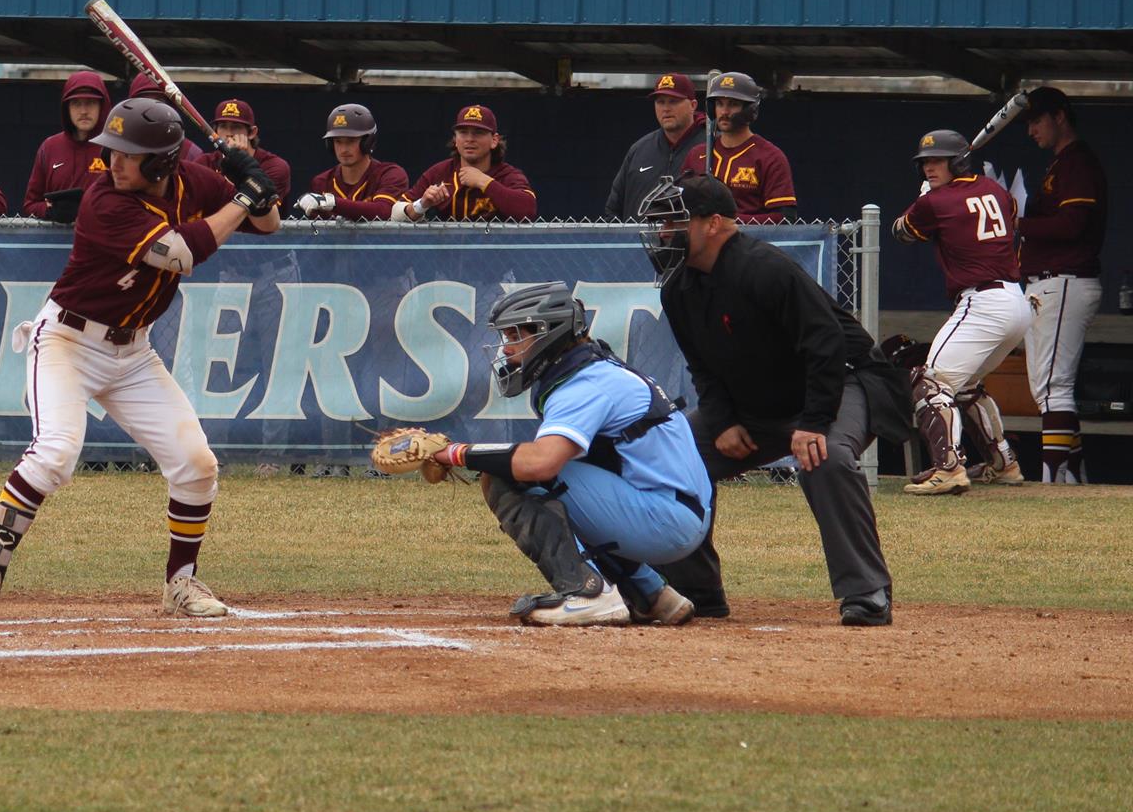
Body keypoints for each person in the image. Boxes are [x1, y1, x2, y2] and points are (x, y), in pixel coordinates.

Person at [0, 94, 282, 622]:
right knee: (56, 453)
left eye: (126, 153)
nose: (112, 161)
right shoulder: (104, 200)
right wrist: (245, 197)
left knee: (197, 466)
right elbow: (182, 252)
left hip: (134, 352)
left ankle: (181, 584)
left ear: (162, 161)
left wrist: (253, 179)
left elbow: (269, 225)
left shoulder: (194, 182)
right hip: (67, 342)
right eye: (113, 149)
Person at [642, 174, 905, 626]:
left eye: (675, 223)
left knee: (827, 457)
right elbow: (704, 367)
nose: (664, 234)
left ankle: (867, 592)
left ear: (714, 224)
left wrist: (815, 421)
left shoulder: (764, 268)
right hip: (758, 405)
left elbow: (827, 345)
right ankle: (696, 590)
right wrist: (722, 421)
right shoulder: (678, 288)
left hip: (840, 385)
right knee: (670, 452)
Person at [416, 283, 709, 627]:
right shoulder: (592, 369)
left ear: (546, 333)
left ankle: (588, 594)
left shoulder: (584, 383)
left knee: (509, 474)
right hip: (673, 511)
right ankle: (652, 595)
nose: (506, 349)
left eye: (514, 336)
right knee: (547, 479)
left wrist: (455, 453)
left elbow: (541, 462)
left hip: (664, 518)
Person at [891, 129, 1030, 495]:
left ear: (958, 161)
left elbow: (901, 231)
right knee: (963, 385)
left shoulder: (936, 202)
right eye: (924, 163)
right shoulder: (996, 190)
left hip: (982, 303)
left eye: (937, 161)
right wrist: (932, 195)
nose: (928, 169)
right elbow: (1007, 213)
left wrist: (922, 201)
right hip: (1016, 303)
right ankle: (1004, 462)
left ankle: (948, 468)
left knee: (930, 380)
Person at [1015, 86, 1108, 483]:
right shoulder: (1061, 163)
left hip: (1065, 280)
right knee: (1048, 388)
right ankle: (1072, 478)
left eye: (1037, 120)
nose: (1031, 130)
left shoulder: (1078, 163)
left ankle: (1055, 482)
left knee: (1054, 386)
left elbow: (1074, 226)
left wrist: (1017, 223)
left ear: (1059, 117)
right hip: (1050, 283)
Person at [677, 72, 799, 222]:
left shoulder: (769, 156)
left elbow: (785, 217)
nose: (724, 111)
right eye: (720, 104)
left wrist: (730, 221)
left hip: (748, 241)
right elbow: (679, 205)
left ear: (750, 109)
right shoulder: (697, 154)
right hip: (702, 241)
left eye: (733, 104)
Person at [403, 103, 538, 222]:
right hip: (449, 248)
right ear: (455, 139)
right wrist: (422, 204)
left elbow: (528, 210)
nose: (469, 139)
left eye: (478, 133)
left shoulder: (507, 175)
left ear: (494, 140)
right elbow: (395, 211)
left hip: (494, 248)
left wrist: (484, 182)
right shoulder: (440, 172)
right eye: (463, 132)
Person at [603, 72, 706, 218]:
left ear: (693, 105)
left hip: (691, 240)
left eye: (673, 101)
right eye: (660, 102)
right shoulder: (640, 149)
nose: (666, 108)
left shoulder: (711, 146)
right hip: (637, 239)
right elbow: (613, 209)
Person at [291, 102, 411, 220]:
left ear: (367, 142)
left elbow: (383, 211)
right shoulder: (321, 182)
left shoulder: (390, 174)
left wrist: (331, 202)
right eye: (338, 141)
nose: (343, 149)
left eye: (351, 141)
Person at [23, 70, 111, 223]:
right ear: (67, 108)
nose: (83, 111)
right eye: (76, 103)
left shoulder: (116, 148)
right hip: (58, 243)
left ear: (101, 106)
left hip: (105, 240)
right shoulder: (49, 147)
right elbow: (30, 204)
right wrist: (52, 211)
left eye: (90, 103)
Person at [194, 97, 291, 210]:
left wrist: (238, 163)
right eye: (223, 126)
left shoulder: (274, 165)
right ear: (216, 131)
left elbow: (258, 210)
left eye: (236, 127)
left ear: (252, 133)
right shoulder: (204, 163)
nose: (229, 133)